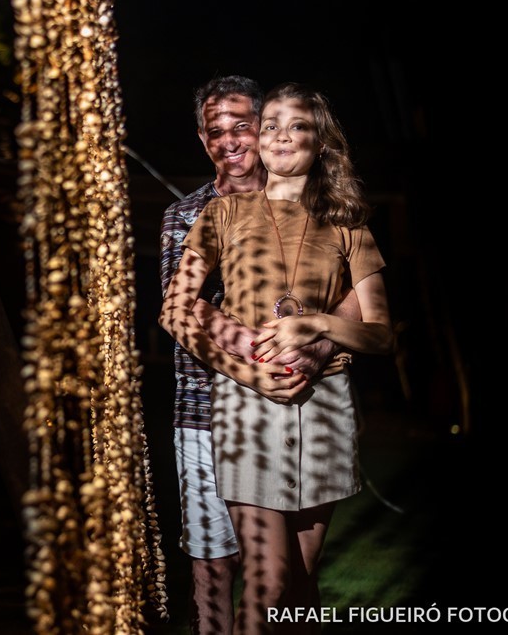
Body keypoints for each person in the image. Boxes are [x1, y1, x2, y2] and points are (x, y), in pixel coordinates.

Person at [160, 81, 394, 635]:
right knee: (266, 582)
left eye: (298, 126)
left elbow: (381, 334)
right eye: (271, 126)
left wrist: (315, 326)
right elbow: (174, 311)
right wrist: (253, 375)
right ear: (260, 143)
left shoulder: (348, 223)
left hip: (325, 410)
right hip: (245, 409)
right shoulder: (220, 215)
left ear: (321, 142)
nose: (281, 136)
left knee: (300, 587)